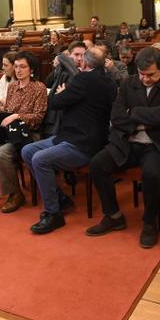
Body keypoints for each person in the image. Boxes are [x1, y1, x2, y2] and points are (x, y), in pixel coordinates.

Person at [88, 46, 160, 247]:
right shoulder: (128, 82)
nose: (145, 79)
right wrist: (147, 118)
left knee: (153, 174)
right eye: (142, 74)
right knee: (97, 164)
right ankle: (113, 215)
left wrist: (132, 112)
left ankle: (149, 222)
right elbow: (116, 117)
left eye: (151, 75)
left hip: (157, 145)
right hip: (127, 141)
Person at [21, 47, 116, 234]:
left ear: (85, 63)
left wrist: (62, 93)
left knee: (39, 159)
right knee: (28, 151)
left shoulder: (83, 79)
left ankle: (53, 213)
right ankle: (60, 199)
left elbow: (55, 103)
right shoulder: (109, 82)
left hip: (81, 143)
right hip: (79, 137)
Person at [0, 51, 47, 215]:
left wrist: (16, 116)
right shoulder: (12, 87)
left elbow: (39, 117)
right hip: (10, 132)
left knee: (1, 154)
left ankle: (15, 194)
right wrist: (0, 112)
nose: (18, 70)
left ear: (31, 69)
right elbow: (8, 113)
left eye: (23, 67)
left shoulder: (38, 87)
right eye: (17, 66)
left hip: (29, 134)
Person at [43, 41, 86, 136]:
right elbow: (48, 83)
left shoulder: (89, 72)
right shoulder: (62, 71)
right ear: (69, 56)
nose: (79, 58)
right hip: (61, 118)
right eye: (76, 54)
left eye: (82, 55)